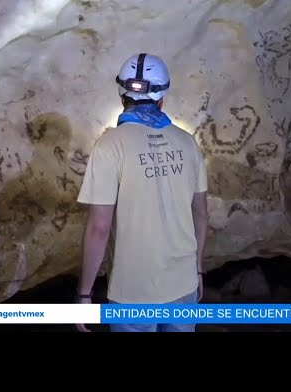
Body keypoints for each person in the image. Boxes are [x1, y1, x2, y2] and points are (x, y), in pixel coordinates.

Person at [74, 52, 209, 333]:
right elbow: (200, 214)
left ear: (122, 95)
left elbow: (99, 228)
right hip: (183, 284)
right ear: (163, 98)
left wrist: (85, 294)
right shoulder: (187, 143)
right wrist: (197, 270)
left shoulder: (110, 146)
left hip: (133, 291)